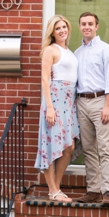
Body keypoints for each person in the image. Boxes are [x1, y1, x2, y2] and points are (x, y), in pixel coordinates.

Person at [34, 14, 80, 202]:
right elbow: (45, 80)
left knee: (68, 146)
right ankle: (52, 190)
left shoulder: (69, 51)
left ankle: (57, 187)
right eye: (58, 28)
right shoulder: (50, 50)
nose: (62, 30)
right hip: (55, 99)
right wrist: (50, 108)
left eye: (64, 27)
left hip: (69, 101)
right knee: (51, 144)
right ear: (52, 32)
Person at [74, 11, 109, 207]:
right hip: (81, 102)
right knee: (89, 149)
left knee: (105, 148)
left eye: (90, 24)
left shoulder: (105, 50)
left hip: (101, 101)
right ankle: (93, 191)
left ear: (97, 26)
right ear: (79, 26)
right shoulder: (77, 53)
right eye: (83, 24)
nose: (87, 27)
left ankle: (107, 191)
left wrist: (108, 104)